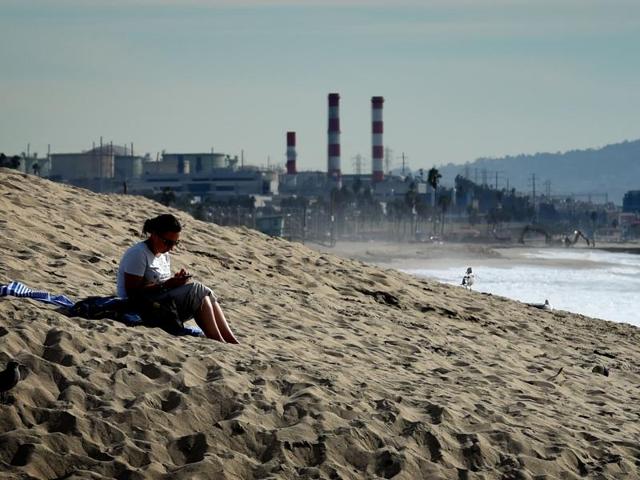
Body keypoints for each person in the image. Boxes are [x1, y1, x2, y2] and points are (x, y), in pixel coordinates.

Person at [116, 214, 238, 343]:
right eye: (167, 242)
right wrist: (167, 285)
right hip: (139, 308)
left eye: (175, 243)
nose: (171, 247)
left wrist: (176, 282)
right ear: (154, 234)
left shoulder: (164, 254)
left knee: (205, 292)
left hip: (161, 305)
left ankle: (230, 340)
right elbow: (132, 293)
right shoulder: (138, 253)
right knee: (197, 289)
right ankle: (217, 339)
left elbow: (161, 284)